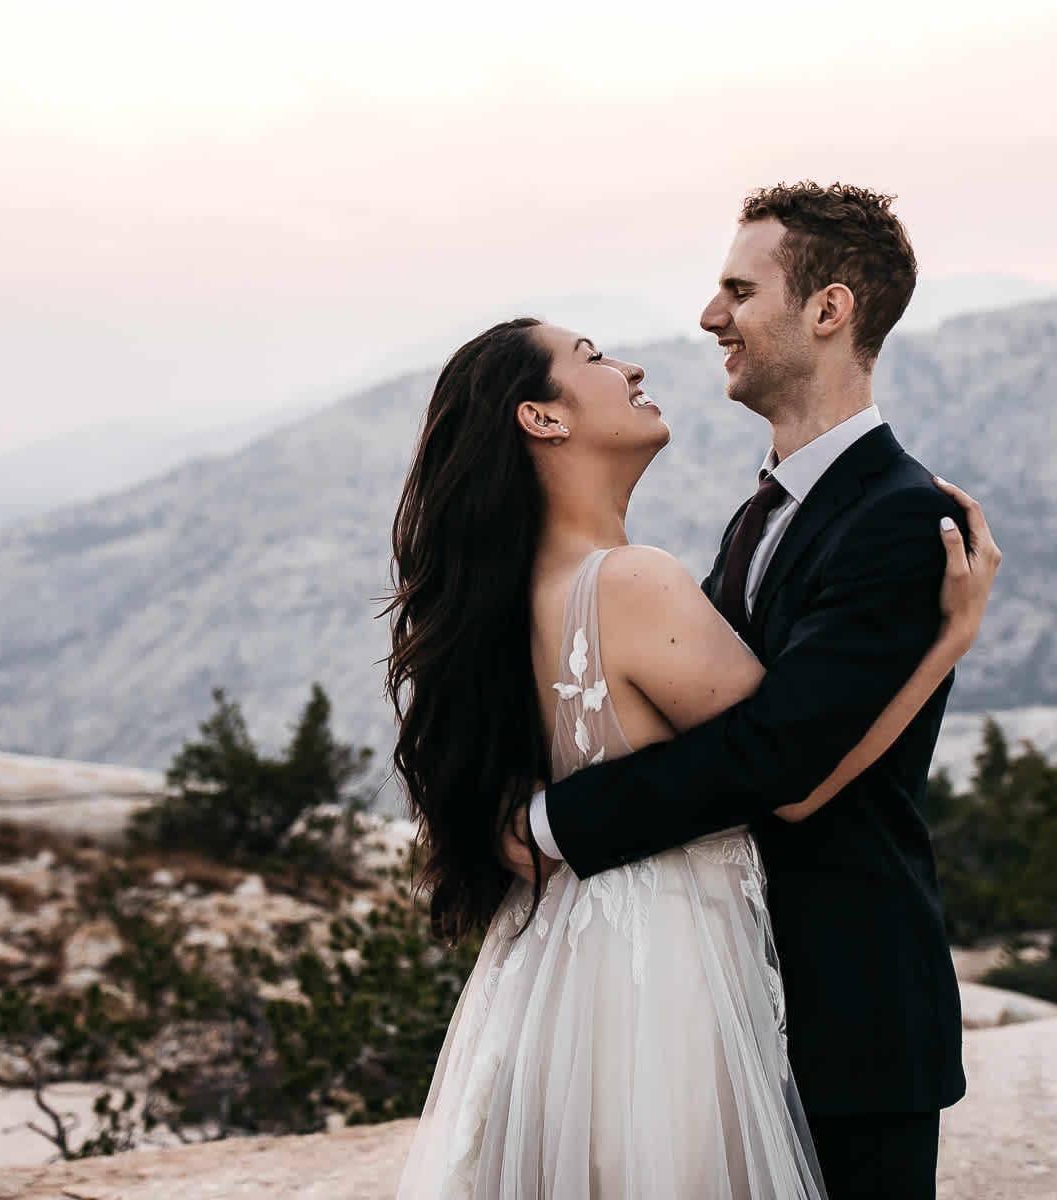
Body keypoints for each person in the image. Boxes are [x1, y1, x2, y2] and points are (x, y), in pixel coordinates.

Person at [388, 312, 997, 1192]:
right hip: (672, 987)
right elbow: (786, 767)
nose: (630, 366)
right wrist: (950, 638)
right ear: (543, 418)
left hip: (574, 983)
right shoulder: (632, 583)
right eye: (593, 358)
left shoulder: (514, 599)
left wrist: (548, 823)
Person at [505, 182, 983, 1199]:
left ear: (828, 310)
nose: (710, 316)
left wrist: (553, 822)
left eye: (737, 290)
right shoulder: (755, 516)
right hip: (726, 1001)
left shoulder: (900, 518)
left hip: (850, 1007)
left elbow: (783, 761)